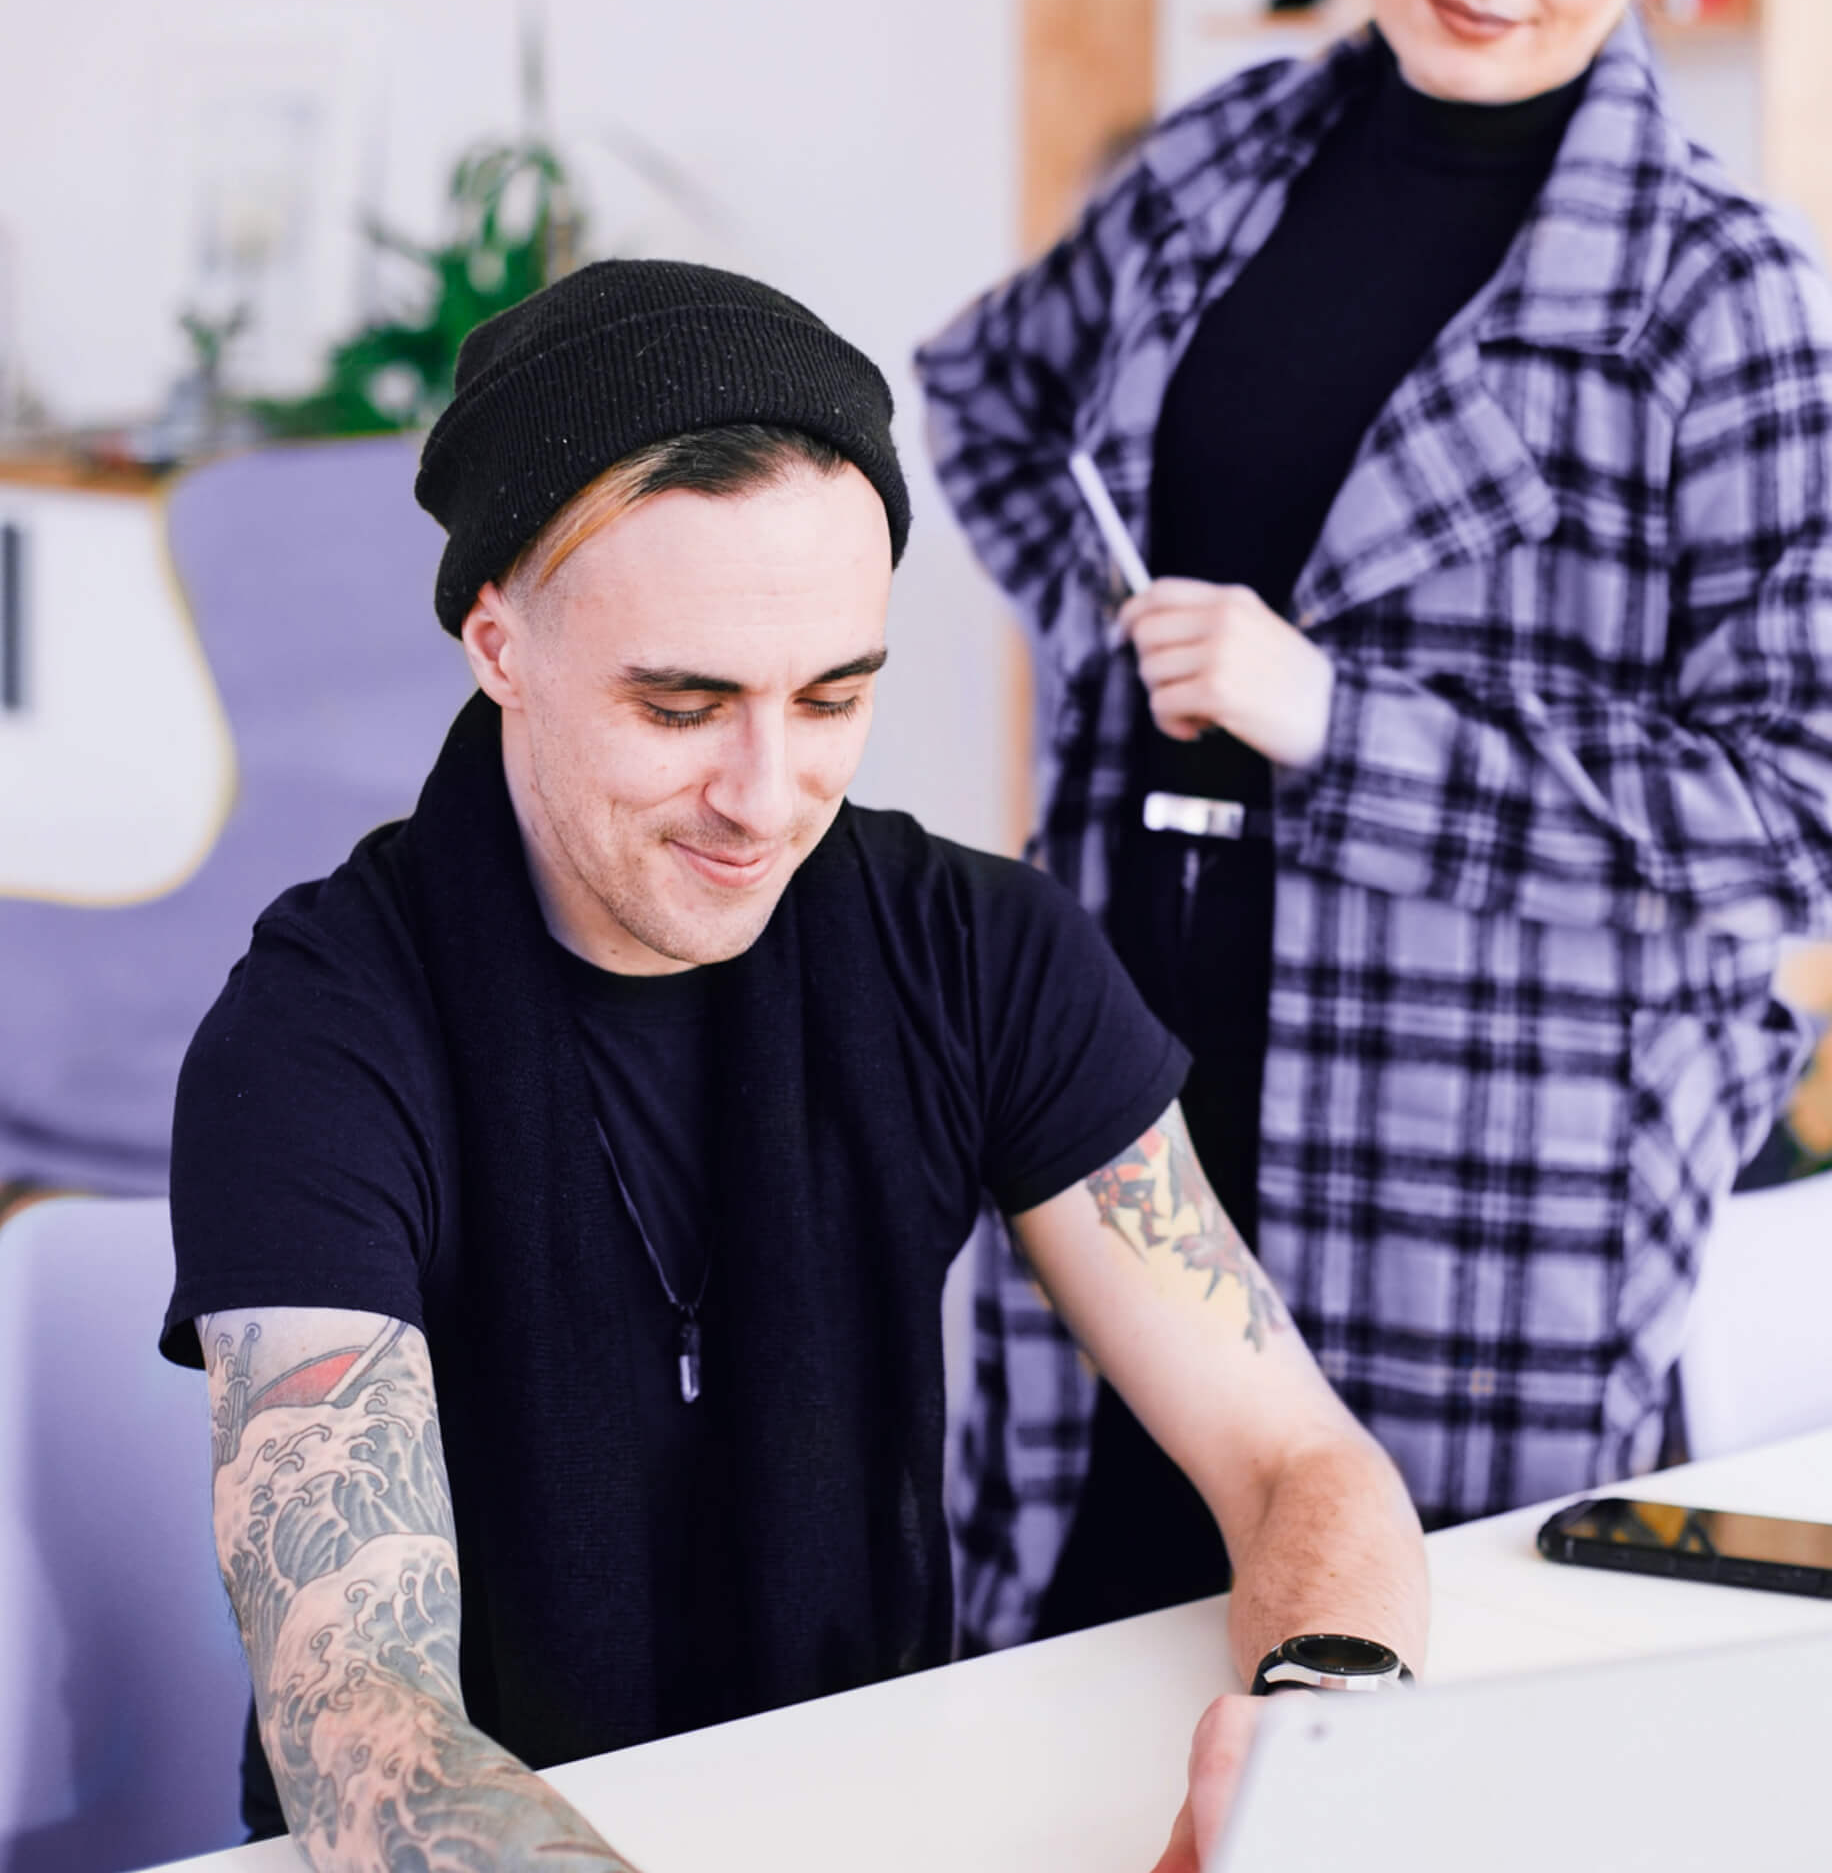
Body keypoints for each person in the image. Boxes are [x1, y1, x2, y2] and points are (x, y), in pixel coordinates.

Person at [160, 260, 1427, 1873]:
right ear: (499, 643)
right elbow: (362, 1723)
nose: (767, 797)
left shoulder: (975, 950)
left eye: (831, 699)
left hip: (877, 1811)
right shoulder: (315, 1038)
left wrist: (1320, 1727)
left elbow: (1296, 1457)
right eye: (681, 705)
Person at [917, 0, 1832, 1651]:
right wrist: (1122, 659)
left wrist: (1340, 720)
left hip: (1487, 1153)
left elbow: (1797, 814)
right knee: (1064, 1647)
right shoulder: (1224, 151)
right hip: (1126, 1056)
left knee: (1403, 1686)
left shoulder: (1732, 298)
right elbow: (985, 392)